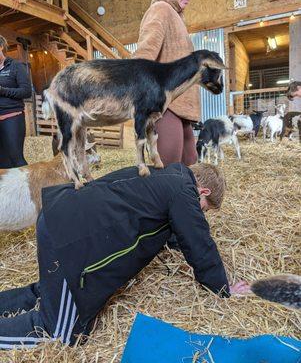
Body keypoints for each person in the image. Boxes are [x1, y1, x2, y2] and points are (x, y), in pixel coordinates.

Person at [0, 162, 248, 349]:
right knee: (58, 332)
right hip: (69, 238)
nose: (199, 213)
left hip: (59, 215)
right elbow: (199, 243)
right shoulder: (183, 192)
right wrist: (222, 288)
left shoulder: (163, 175)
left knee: (49, 291)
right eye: (203, 209)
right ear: (202, 191)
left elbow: (171, 228)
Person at [134, 0, 199, 167]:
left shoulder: (178, 17)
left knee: (190, 165)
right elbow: (144, 55)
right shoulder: (160, 9)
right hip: (165, 105)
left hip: (181, 106)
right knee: (168, 171)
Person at [0, 35, 32, 168]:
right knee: (2, 161)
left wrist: (2, 90)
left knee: (15, 158)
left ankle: (30, 187)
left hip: (12, 117)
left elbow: (26, 91)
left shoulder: (16, 66)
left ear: (1, 47)